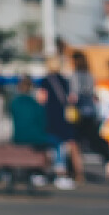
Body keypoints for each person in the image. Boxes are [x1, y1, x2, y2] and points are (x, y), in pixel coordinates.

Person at [69, 50, 109, 179]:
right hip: (91, 111)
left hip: (79, 113)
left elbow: (74, 95)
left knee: (76, 142)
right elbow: (92, 93)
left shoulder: (75, 76)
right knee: (94, 138)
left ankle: (76, 171)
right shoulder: (90, 75)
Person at [40, 59, 80, 190]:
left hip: (49, 114)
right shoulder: (64, 80)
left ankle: (46, 171)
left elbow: (42, 99)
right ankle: (61, 173)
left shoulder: (46, 81)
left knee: (49, 144)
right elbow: (71, 98)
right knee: (60, 145)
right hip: (62, 115)